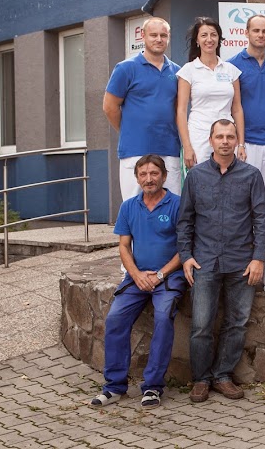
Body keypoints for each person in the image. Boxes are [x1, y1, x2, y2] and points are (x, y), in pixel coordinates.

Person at [178, 119, 265, 403]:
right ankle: (201, 379)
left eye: (230, 136)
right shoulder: (195, 176)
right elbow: (185, 221)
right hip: (204, 261)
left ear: (236, 140)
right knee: (201, 325)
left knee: (237, 322)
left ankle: (223, 376)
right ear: (211, 140)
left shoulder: (251, 175)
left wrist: (258, 258)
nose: (225, 141)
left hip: (241, 261)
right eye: (220, 136)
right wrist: (186, 257)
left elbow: (261, 220)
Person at [91, 155, 186, 410]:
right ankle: (114, 386)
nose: (148, 179)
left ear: (164, 176)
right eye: (143, 174)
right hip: (137, 278)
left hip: (169, 277)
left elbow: (185, 248)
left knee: (163, 317)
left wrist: (160, 275)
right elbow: (124, 246)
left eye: (154, 173)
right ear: (137, 178)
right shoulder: (128, 207)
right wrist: (136, 275)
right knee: (115, 318)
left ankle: (153, 386)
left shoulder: (177, 205)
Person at [103, 17, 182, 199]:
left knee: (171, 204)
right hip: (135, 150)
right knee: (134, 204)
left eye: (163, 35)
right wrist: (129, 130)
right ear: (143, 36)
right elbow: (109, 107)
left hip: (169, 149)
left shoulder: (177, 71)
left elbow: (178, 110)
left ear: (168, 37)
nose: (159, 39)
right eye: (153, 35)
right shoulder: (125, 68)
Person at [176, 17, 246, 167]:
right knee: (201, 177)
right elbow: (181, 111)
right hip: (199, 136)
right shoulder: (188, 70)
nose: (209, 39)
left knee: (229, 176)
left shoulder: (231, 70)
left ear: (219, 39)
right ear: (197, 40)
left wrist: (241, 144)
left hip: (227, 135)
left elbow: (237, 109)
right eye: (204, 35)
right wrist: (187, 146)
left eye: (213, 35)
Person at [228, 14, 265, 195]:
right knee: (245, 195)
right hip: (246, 141)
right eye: (256, 30)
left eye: (264, 31)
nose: (260, 35)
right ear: (246, 33)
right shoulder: (232, 65)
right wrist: (239, 143)